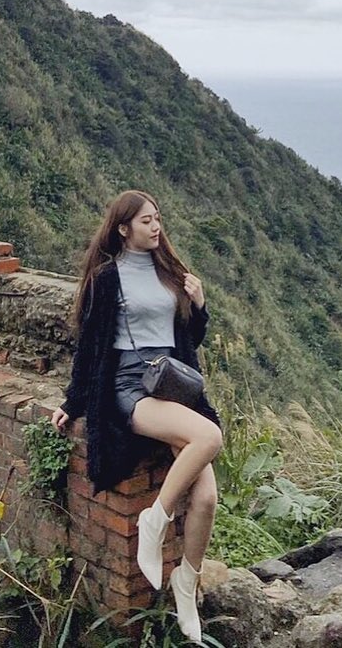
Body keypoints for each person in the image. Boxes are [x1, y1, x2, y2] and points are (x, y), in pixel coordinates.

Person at [51, 190, 222, 644]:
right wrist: (73, 403)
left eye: (158, 218)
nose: (156, 226)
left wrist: (199, 302)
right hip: (129, 385)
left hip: (171, 382)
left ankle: (186, 585)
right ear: (123, 228)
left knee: (206, 499)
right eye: (147, 220)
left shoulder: (172, 272)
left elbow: (190, 336)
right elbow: (89, 348)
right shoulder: (107, 280)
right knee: (208, 436)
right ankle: (156, 517)